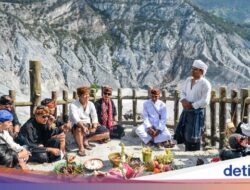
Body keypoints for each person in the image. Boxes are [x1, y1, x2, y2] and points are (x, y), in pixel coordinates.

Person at [174, 60, 211, 151]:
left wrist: (192, 105)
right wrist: (183, 100)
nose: (192, 71)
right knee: (185, 132)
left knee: (195, 134)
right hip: (186, 111)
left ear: (201, 71)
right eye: (192, 69)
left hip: (196, 113)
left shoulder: (205, 84)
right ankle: (187, 150)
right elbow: (182, 92)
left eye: (195, 69)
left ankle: (195, 153)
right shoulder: (188, 80)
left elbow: (205, 101)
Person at [69, 86, 109, 156]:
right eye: (85, 95)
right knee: (79, 129)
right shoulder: (73, 105)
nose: (87, 96)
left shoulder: (91, 104)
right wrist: (83, 127)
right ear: (80, 96)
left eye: (88, 94)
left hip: (88, 125)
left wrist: (94, 127)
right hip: (77, 125)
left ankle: (87, 139)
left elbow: (94, 116)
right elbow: (76, 119)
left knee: (106, 133)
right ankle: (81, 147)